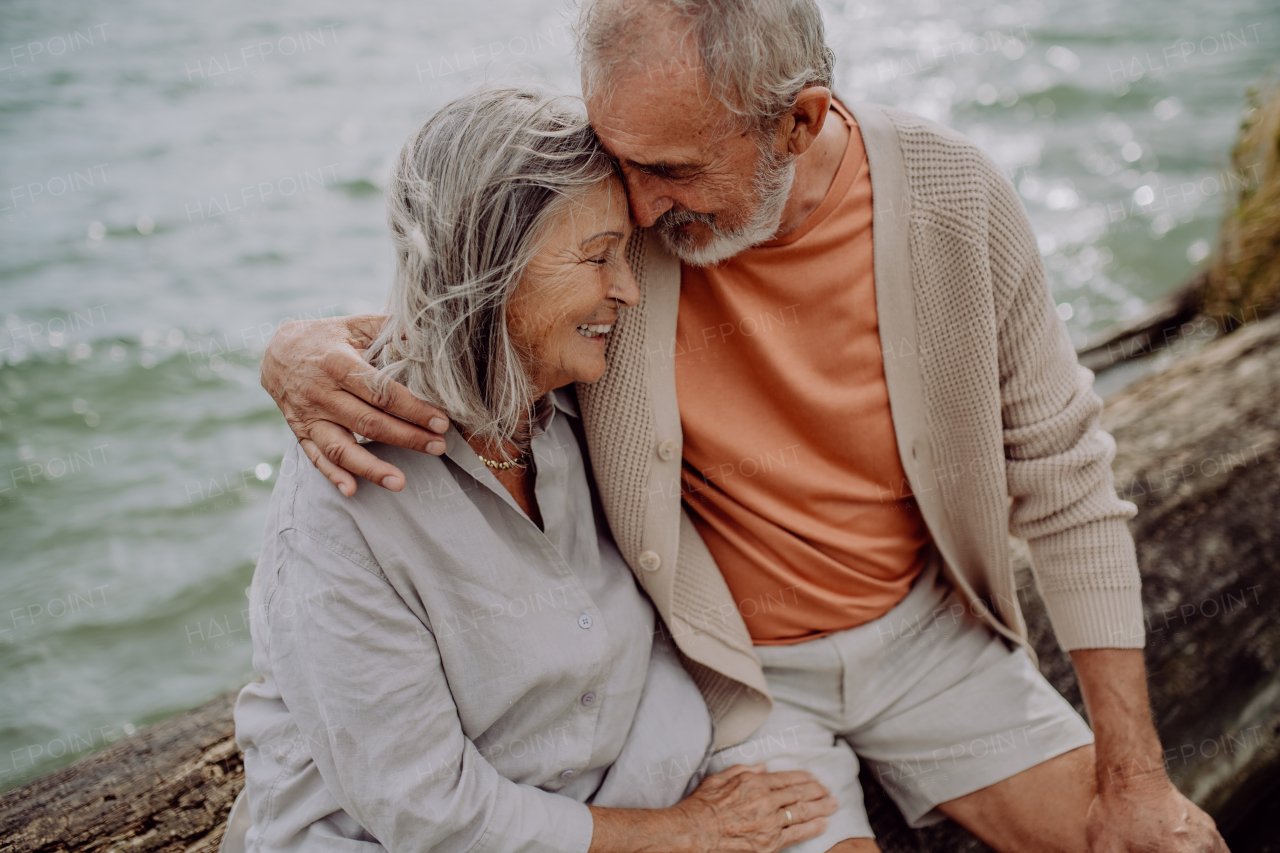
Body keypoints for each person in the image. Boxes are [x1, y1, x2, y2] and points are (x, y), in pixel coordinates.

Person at [256, 2, 1229, 851]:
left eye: (667, 169)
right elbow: (483, 276)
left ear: (797, 120)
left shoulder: (951, 196)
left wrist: (1133, 774)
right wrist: (294, 350)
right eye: (621, 164)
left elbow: (1065, 481)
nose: (635, 206)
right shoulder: (631, 199)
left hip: (932, 643)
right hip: (729, 681)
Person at [225, 85, 837, 853]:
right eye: (598, 257)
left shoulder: (579, 391)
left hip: (646, 764)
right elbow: (428, 812)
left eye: (626, 250)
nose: (629, 288)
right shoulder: (346, 499)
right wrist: (682, 833)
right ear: (494, 266)